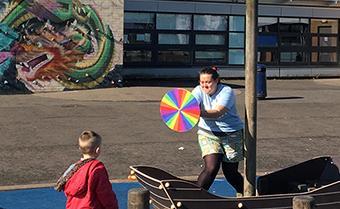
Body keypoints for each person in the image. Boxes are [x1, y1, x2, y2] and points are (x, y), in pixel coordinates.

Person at [191, 66, 244, 196]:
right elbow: (190, 105)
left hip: (232, 134)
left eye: (208, 82)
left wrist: (194, 112)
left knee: (230, 173)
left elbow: (217, 112)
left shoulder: (227, 91)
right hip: (208, 133)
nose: (205, 85)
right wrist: (185, 110)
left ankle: (246, 194)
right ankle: (195, 197)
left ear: (216, 81)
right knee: (211, 168)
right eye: (202, 82)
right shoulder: (198, 90)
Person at [55, 130, 119, 209]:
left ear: (80, 149)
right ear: (97, 150)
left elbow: (68, 191)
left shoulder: (73, 169)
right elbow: (104, 193)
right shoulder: (97, 169)